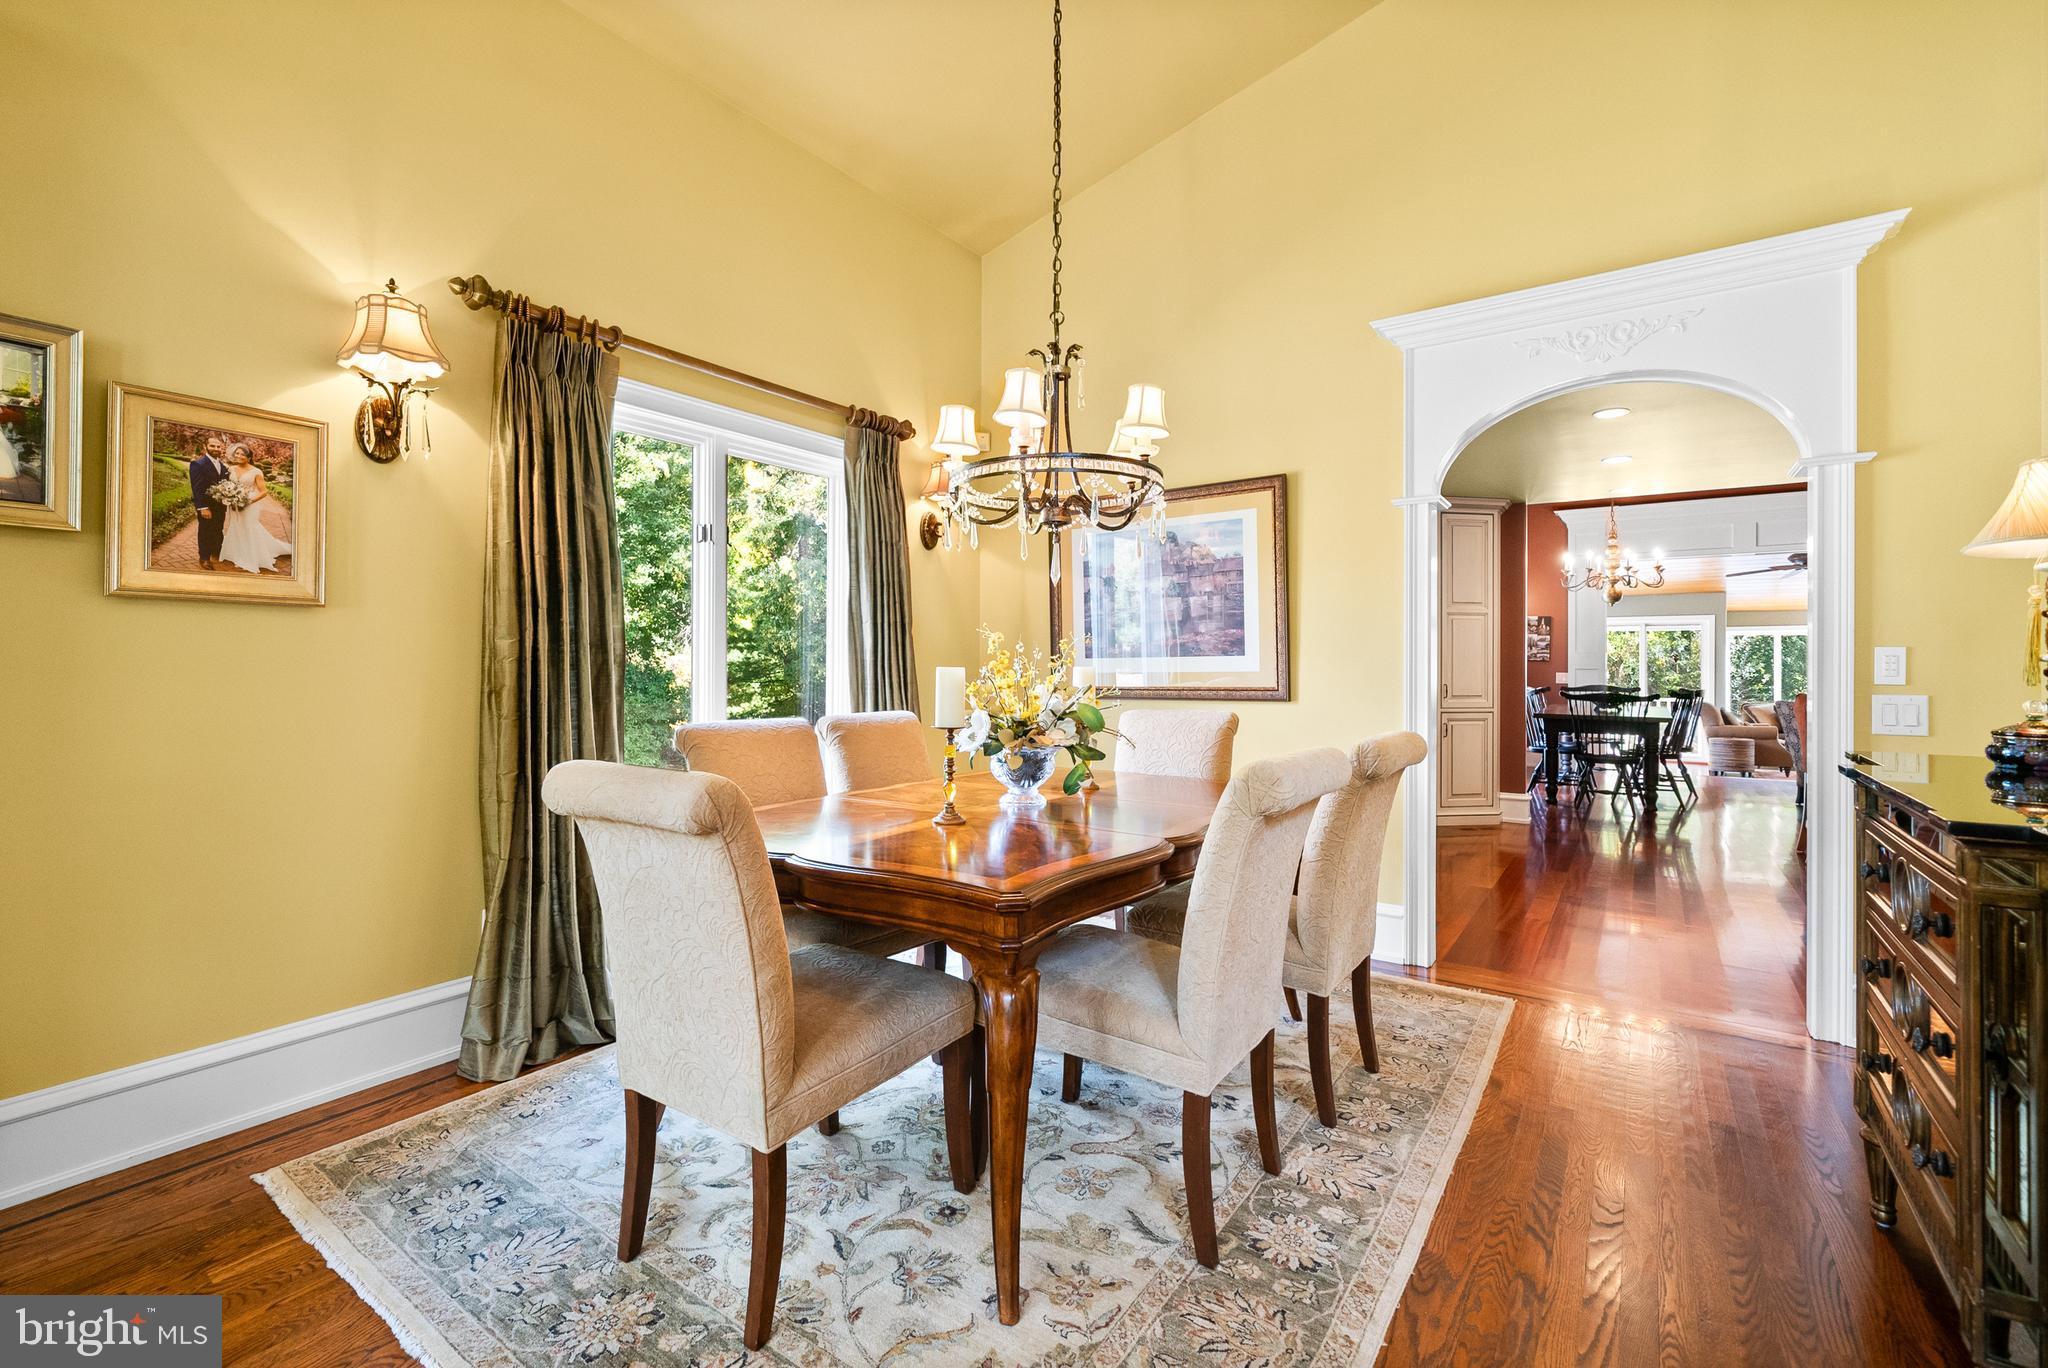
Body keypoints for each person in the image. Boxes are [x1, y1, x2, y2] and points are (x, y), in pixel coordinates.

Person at [217, 444, 293, 574]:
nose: (239, 456)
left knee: (249, 527)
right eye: (237, 453)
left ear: (249, 457)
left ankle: (251, 556)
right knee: (235, 526)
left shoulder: (256, 471)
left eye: (242, 454)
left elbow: (264, 492)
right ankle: (236, 553)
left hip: (249, 504)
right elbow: (228, 485)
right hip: (233, 503)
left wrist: (247, 502)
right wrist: (229, 496)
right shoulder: (231, 469)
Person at [187, 434, 231, 570]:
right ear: (205, 447)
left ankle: (216, 551)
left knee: (218, 529)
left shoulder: (223, 467)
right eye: (213, 446)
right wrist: (203, 507)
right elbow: (197, 488)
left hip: (220, 506)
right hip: (207, 506)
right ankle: (204, 558)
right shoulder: (198, 464)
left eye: (218, 446)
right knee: (205, 530)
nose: (216, 448)